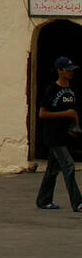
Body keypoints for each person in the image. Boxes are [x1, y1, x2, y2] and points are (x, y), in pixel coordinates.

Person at [36, 56, 82, 211]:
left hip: (65, 135)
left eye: (72, 70)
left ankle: (43, 200)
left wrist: (75, 126)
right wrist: (64, 113)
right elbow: (42, 114)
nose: (71, 73)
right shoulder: (51, 90)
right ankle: (78, 202)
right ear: (60, 71)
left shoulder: (72, 89)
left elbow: (74, 111)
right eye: (68, 70)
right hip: (53, 136)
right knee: (68, 166)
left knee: (53, 169)